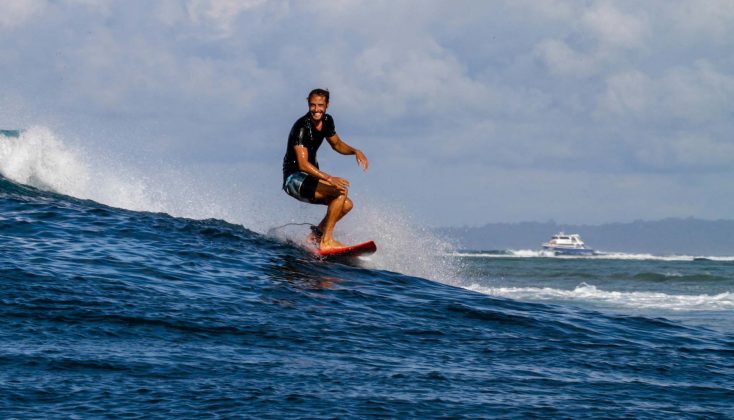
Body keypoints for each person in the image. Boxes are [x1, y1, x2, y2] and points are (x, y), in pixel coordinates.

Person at [282, 88, 368, 251]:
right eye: (312, 105)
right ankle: (326, 241)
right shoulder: (301, 127)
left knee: (346, 205)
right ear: (308, 104)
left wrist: (355, 151)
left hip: (310, 178)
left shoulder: (327, 121)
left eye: (320, 105)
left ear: (327, 105)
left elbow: (336, 144)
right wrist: (329, 178)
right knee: (340, 192)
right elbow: (302, 164)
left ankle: (316, 236)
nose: (316, 109)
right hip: (294, 179)